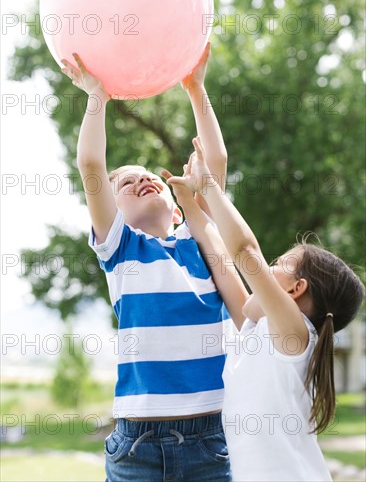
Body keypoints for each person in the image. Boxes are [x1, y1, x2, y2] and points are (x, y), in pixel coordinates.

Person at [61, 46, 248, 482]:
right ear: (112, 213)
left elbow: (215, 163)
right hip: (136, 443)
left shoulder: (198, 241)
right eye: (126, 183)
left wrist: (196, 87)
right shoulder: (120, 248)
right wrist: (96, 95)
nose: (142, 179)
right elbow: (90, 163)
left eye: (150, 177)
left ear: (177, 208)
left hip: (209, 437)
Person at [167, 136, 365, 482]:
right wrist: (189, 204)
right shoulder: (257, 332)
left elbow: (244, 252)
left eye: (278, 263)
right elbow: (223, 262)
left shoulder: (296, 336)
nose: (266, 269)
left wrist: (210, 186)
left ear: (294, 289)